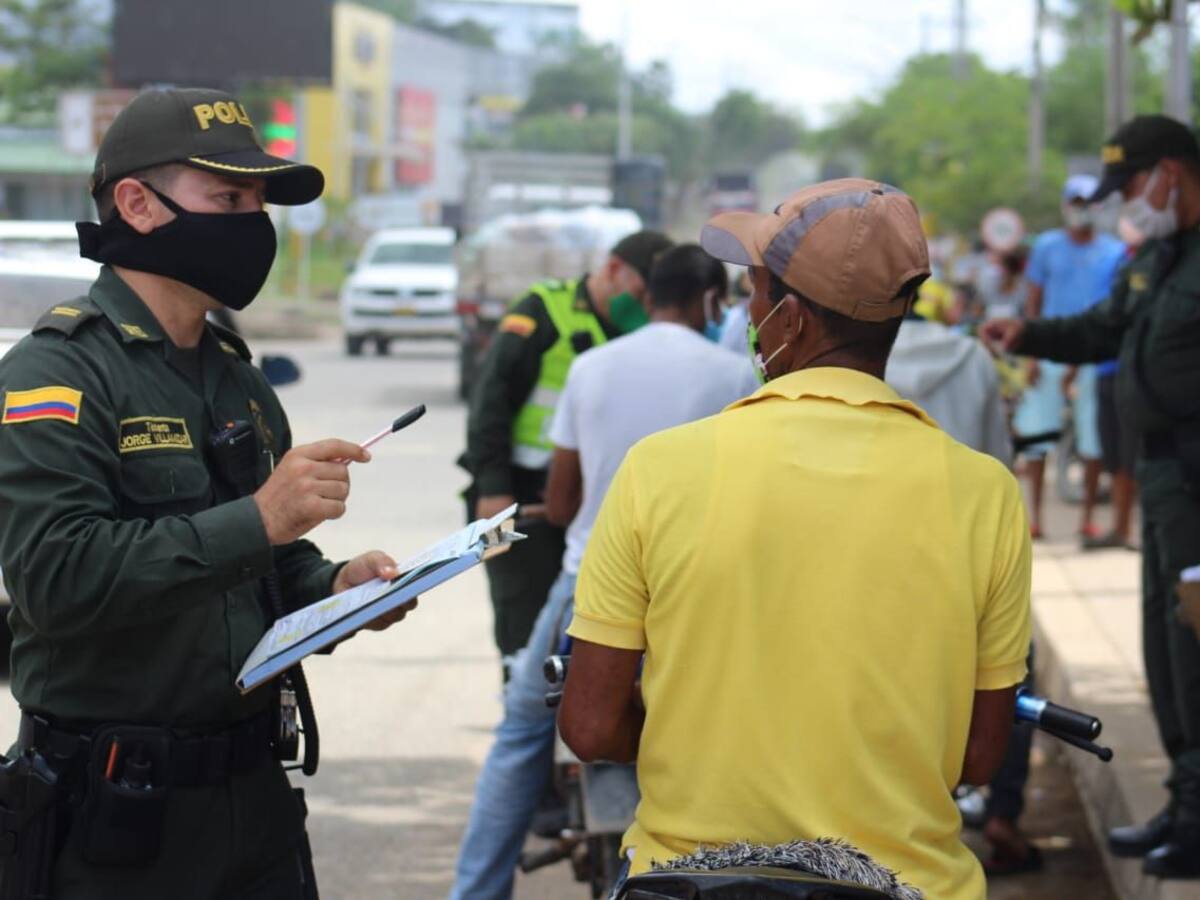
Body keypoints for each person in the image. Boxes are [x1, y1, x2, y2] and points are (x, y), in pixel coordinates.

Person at [559, 179, 1032, 900]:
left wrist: (700, 739)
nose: (746, 313)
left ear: (790, 319)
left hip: (689, 883)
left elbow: (590, 727)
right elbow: (979, 754)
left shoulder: (660, 469)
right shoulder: (986, 493)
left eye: (753, 292)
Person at [0, 88, 416, 898]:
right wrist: (259, 517)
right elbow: (55, 579)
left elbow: (263, 567)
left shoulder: (239, 383)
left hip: (254, 801)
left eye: (257, 200)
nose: (251, 220)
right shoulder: (58, 373)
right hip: (112, 820)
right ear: (136, 205)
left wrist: (336, 588)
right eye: (228, 197)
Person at [449, 244, 757, 900]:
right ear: (709, 302)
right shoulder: (734, 376)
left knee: (521, 733)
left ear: (649, 297)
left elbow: (562, 502)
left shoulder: (591, 367)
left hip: (584, 588)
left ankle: (475, 893)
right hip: (690, 600)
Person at [982, 115, 1200, 880]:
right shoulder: (1159, 259)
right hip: (1166, 485)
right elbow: (1106, 330)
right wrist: (1027, 333)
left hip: (1197, 484)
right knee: (1164, 647)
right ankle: (1183, 804)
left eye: (1135, 184)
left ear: (1171, 172)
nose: (1126, 204)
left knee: (1195, 645)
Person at [458, 230, 672, 671]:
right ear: (614, 270)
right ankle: (521, 714)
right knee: (521, 630)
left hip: (594, 504)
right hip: (517, 496)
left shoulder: (649, 336)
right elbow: (489, 403)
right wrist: (493, 488)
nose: (646, 304)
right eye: (640, 292)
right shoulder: (541, 311)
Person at [1013, 174, 1126, 542]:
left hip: (1093, 355)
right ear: (1066, 206)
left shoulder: (1113, 251)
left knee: (1093, 438)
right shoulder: (1047, 246)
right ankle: (1035, 518)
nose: (1083, 211)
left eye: (1090, 203)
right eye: (1077, 203)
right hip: (1048, 350)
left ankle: (1088, 517)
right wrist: (1030, 351)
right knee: (1036, 434)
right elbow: (1034, 300)